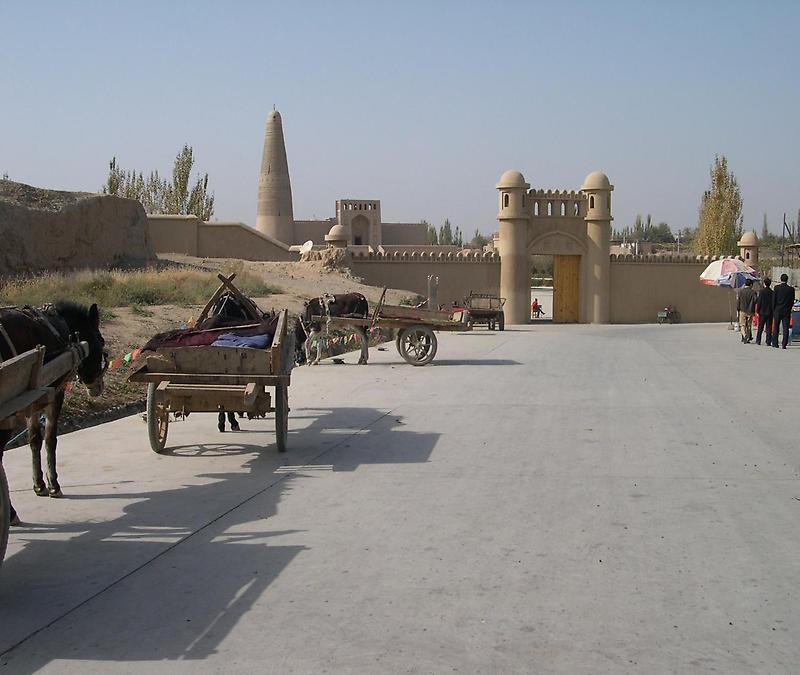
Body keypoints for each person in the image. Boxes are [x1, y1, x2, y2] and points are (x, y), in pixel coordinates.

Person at [771, 273, 795, 349]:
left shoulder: (776, 288)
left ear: (780, 279)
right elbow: (792, 301)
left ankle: (775, 343)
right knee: (785, 328)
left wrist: (773, 309)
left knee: (776, 327)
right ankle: (784, 344)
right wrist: (789, 308)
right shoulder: (791, 289)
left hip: (777, 310)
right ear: (787, 280)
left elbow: (774, 300)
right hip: (786, 311)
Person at [736, 279, 757, 343]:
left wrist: (738, 308)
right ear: (751, 285)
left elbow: (738, 301)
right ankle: (748, 336)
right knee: (749, 325)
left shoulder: (740, 292)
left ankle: (744, 336)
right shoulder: (753, 292)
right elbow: (755, 301)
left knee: (742, 325)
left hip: (742, 310)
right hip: (750, 310)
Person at [755, 277, 773, 346]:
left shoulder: (761, 292)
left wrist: (758, 310)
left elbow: (759, 302)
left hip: (762, 311)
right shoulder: (772, 292)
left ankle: (758, 340)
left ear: (764, 283)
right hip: (770, 311)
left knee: (760, 327)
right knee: (769, 327)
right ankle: (768, 341)